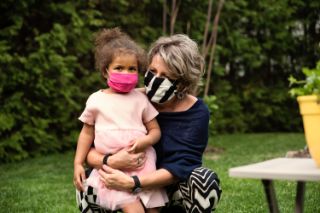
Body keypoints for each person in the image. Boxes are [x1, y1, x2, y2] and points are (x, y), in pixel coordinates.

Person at [76, 33, 222, 213]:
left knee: (204, 180)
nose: (155, 80)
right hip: (119, 181)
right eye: (152, 71)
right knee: (86, 181)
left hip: (169, 191)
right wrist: (110, 160)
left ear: (182, 83)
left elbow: (183, 165)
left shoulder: (197, 112)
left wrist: (134, 183)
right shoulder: (130, 99)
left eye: (166, 76)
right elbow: (90, 144)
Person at [73, 27, 168, 213]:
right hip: (113, 168)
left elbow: (155, 130)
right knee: (132, 208)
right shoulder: (96, 100)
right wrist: (78, 163)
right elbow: (86, 133)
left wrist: (145, 141)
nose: (126, 73)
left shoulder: (141, 99)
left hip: (142, 163)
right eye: (119, 68)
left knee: (152, 207)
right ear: (105, 71)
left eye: (132, 69)